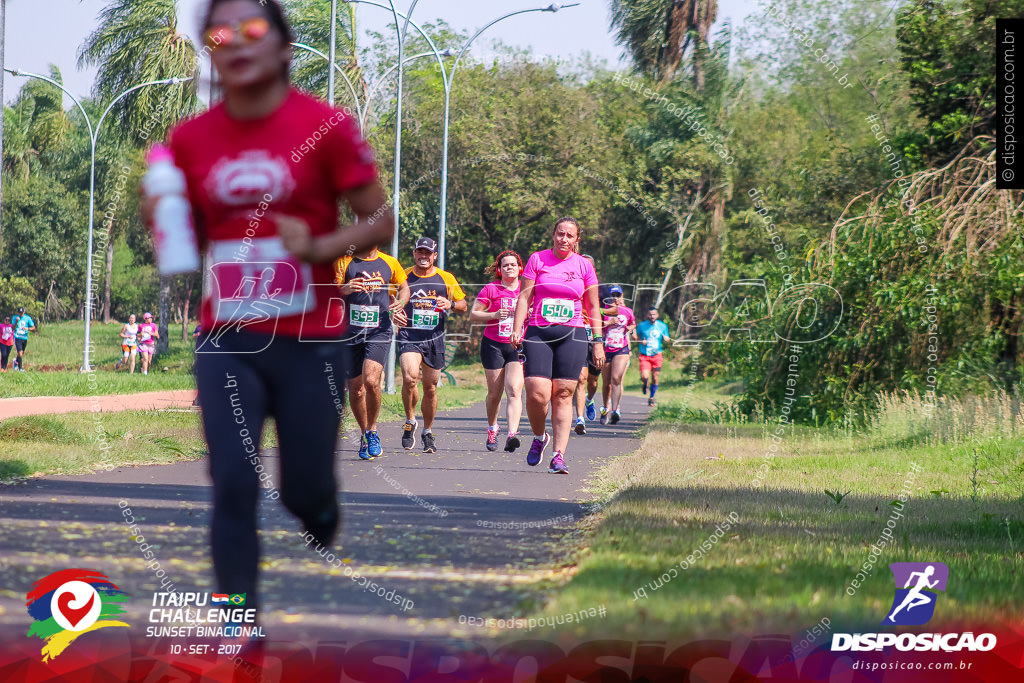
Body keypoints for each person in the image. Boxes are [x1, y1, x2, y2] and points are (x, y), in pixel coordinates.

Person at [151, 0, 393, 623]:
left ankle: (319, 504)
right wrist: (166, 224)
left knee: (302, 488)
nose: (235, 42)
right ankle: (238, 622)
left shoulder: (326, 127)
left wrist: (318, 246)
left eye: (253, 29)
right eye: (219, 32)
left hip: (310, 338)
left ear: (284, 48)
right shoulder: (190, 138)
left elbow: (379, 219)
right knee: (232, 478)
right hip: (228, 335)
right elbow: (187, 231)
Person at [510, 217, 603, 475]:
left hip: (572, 334)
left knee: (563, 393)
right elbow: (525, 296)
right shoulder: (537, 259)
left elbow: (593, 305)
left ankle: (558, 456)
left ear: (577, 240)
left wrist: (597, 342)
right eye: (560, 234)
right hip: (538, 331)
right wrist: (517, 328)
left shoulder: (584, 265)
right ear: (553, 235)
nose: (564, 239)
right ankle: (540, 437)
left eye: (569, 236)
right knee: (537, 393)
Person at [335, 244, 409, 459]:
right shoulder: (344, 261)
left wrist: (401, 303)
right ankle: (364, 434)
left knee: (371, 379)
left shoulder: (390, 262)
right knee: (356, 389)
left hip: (379, 329)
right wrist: (345, 289)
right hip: (350, 331)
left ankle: (373, 430)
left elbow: (404, 288)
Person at [398, 237, 467, 453]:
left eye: (428, 253)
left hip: (435, 338)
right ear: (414, 254)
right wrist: (394, 312)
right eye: (420, 252)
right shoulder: (404, 275)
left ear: (434, 256)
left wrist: (451, 304)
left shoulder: (446, 278)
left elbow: (463, 305)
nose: (423, 256)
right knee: (410, 378)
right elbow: (391, 298)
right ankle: (410, 420)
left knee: (430, 388)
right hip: (410, 336)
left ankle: (427, 431)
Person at [470, 250, 524, 452]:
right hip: (493, 345)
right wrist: (494, 314)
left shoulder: (527, 289)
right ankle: (493, 428)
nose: (509, 267)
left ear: (520, 268)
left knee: (514, 389)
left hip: (517, 346)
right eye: (505, 265)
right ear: (499, 270)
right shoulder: (491, 289)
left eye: (513, 264)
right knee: (494, 393)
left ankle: (512, 434)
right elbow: (474, 314)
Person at [600, 285, 636, 424]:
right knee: (606, 384)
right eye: (612, 295)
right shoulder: (603, 311)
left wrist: (629, 328)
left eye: (618, 295)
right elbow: (595, 325)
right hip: (605, 348)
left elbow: (633, 324)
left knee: (616, 379)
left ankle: (615, 410)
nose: (615, 298)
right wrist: (608, 322)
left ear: (622, 296)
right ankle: (605, 409)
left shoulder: (627, 311)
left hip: (622, 348)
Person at [636, 307, 671, 407]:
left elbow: (667, 338)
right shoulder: (642, 326)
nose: (652, 316)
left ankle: (651, 397)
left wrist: (666, 339)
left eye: (654, 314)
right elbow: (636, 337)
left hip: (657, 355)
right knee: (644, 376)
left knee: (655, 377)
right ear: (647, 315)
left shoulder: (662, 326)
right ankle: (645, 384)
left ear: (657, 315)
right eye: (650, 314)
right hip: (645, 355)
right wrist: (641, 341)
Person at [11, 306, 36, 372]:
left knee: (22, 353)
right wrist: (16, 322)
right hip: (17, 337)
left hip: (24, 337)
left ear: (24, 312)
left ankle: (16, 361)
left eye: (22, 313)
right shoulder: (15, 318)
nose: (21, 314)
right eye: (19, 313)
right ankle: (20, 368)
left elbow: (33, 327)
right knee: (20, 353)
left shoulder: (27, 318)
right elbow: (13, 328)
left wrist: (27, 329)